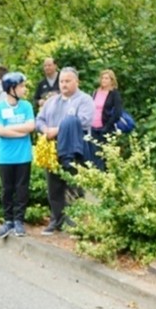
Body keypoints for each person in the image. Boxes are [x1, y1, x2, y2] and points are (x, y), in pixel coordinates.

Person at [34, 66, 96, 235]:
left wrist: (58, 129)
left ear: (76, 81)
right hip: (52, 148)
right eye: (61, 81)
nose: (64, 84)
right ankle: (56, 220)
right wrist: (45, 129)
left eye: (68, 81)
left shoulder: (85, 100)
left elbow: (84, 121)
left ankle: (74, 223)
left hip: (75, 148)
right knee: (53, 186)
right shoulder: (52, 101)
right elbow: (39, 119)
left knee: (73, 184)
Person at [0, 72, 36, 238]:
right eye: (21, 86)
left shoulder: (26, 106)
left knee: (22, 189)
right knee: (7, 190)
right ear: (11, 89)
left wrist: (9, 131)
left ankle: (19, 221)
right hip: (5, 157)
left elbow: (31, 126)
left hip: (23, 156)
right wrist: (20, 131)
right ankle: (8, 220)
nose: (24, 89)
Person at [89, 69, 123, 170]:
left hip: (106, 128)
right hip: (93, 128)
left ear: (112, 80)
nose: (104, 80)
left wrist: (107, 126)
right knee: (95, 155)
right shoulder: (95, 92)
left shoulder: (114, 94)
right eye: (102, 78)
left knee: (106, 155)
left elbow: (118, 113)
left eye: (106, 78)